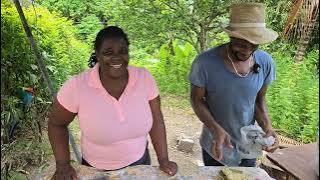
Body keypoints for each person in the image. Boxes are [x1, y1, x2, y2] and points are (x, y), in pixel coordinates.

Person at [48, 26, 177, 179]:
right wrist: (63, 164)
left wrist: (163, 160)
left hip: (140, 163)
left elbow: (157, 121)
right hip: (96, 171)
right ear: (97, 54)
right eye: (108, 52)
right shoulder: (77, 86)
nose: (116, 57)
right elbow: (56, 124)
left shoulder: (144, 78)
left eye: (122, 51)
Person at [189, 3, 280, 167]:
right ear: (231, 37)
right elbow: (196, 100)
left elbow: (259, 100)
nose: (246, 51)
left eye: (254, 46)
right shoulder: (205, 63)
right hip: (216, 143)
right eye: (241, 44)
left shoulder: (265, 62)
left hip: (249, 142)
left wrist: (267, 126)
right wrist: (215, 128)